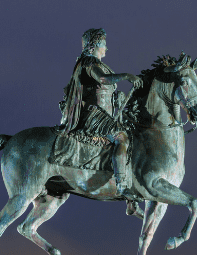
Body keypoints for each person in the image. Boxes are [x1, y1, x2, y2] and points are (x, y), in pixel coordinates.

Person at [60, 28, 143, 196]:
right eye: (104, 44)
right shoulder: (88, 62)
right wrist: (127, 76)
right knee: (121, 137)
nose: (106, 48)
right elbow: (103, 80)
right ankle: (121, 186)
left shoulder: (97, 63)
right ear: (94, 45)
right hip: (93, 114)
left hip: (105, 114)